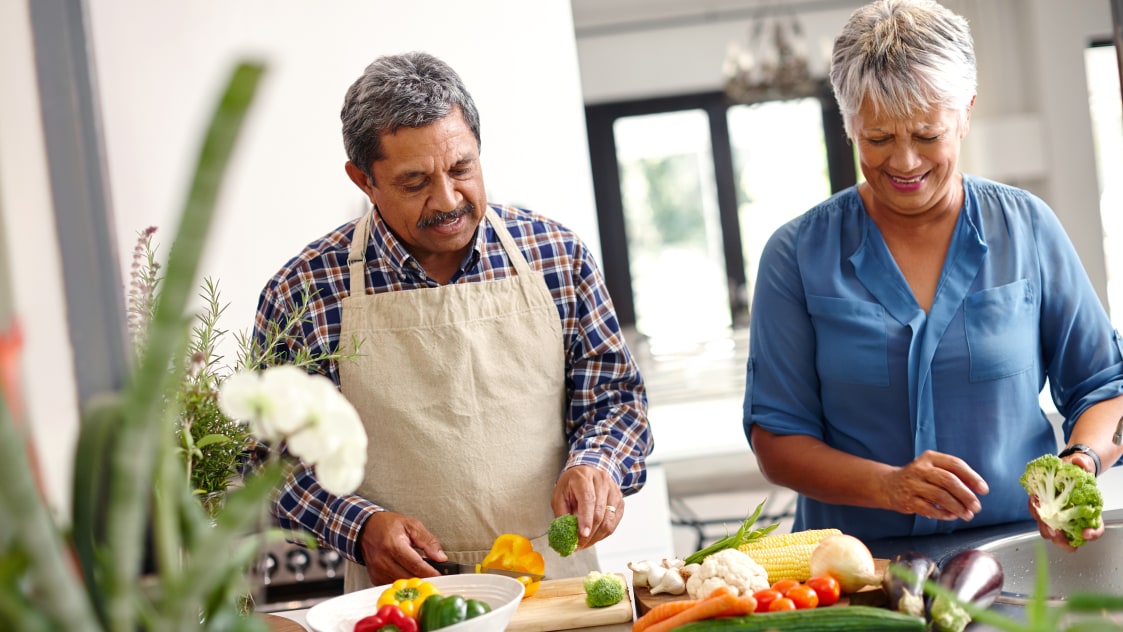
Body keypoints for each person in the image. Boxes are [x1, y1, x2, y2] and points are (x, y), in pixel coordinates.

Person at [253, 51, 652, 591]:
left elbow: (616, 402)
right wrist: (361, 527)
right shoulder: (301, 292)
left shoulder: (557, 256)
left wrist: (597, 463)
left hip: (553, 583)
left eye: (461, 168)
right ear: (363, 180)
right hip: (400, 598)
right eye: (415, 182)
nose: (448, 200)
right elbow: (274, 463)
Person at [744, 0, 1123, 550]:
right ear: (849, 124)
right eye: (877, 139)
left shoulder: (1027, 228)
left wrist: (1080, 461)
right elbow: (777, 440)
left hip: (1014, 553)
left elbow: (1105, 388)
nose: (903, 162)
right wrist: (888, 487)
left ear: (965, 111)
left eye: (926, 135)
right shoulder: (795, 254)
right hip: (855, 570)